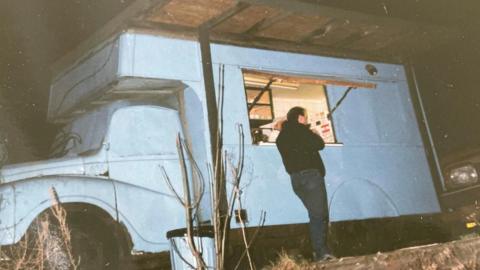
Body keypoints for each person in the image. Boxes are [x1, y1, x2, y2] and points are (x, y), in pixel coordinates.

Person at [275, 106, 334, 261]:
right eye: (305, 118)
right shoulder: (303, 131)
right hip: (311, 177)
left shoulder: (281, 138)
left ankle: (319, 251)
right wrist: (315, 133)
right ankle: (321, 253)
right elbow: (319, 145)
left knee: (315, 214)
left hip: (296, 181)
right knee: (320, 215)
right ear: (300, 118)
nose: (306, 121)